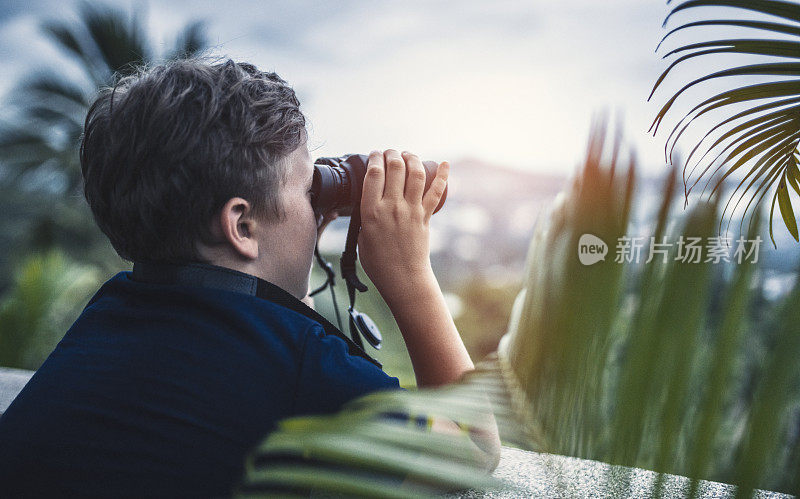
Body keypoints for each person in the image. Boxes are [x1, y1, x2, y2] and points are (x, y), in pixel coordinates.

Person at [0, 58, 493, 496]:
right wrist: (408, 272)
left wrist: (290, 213)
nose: (317, 210)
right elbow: (474, 451)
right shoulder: (301, 367)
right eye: (308, 190)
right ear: (240, 224)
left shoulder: (110, 310)